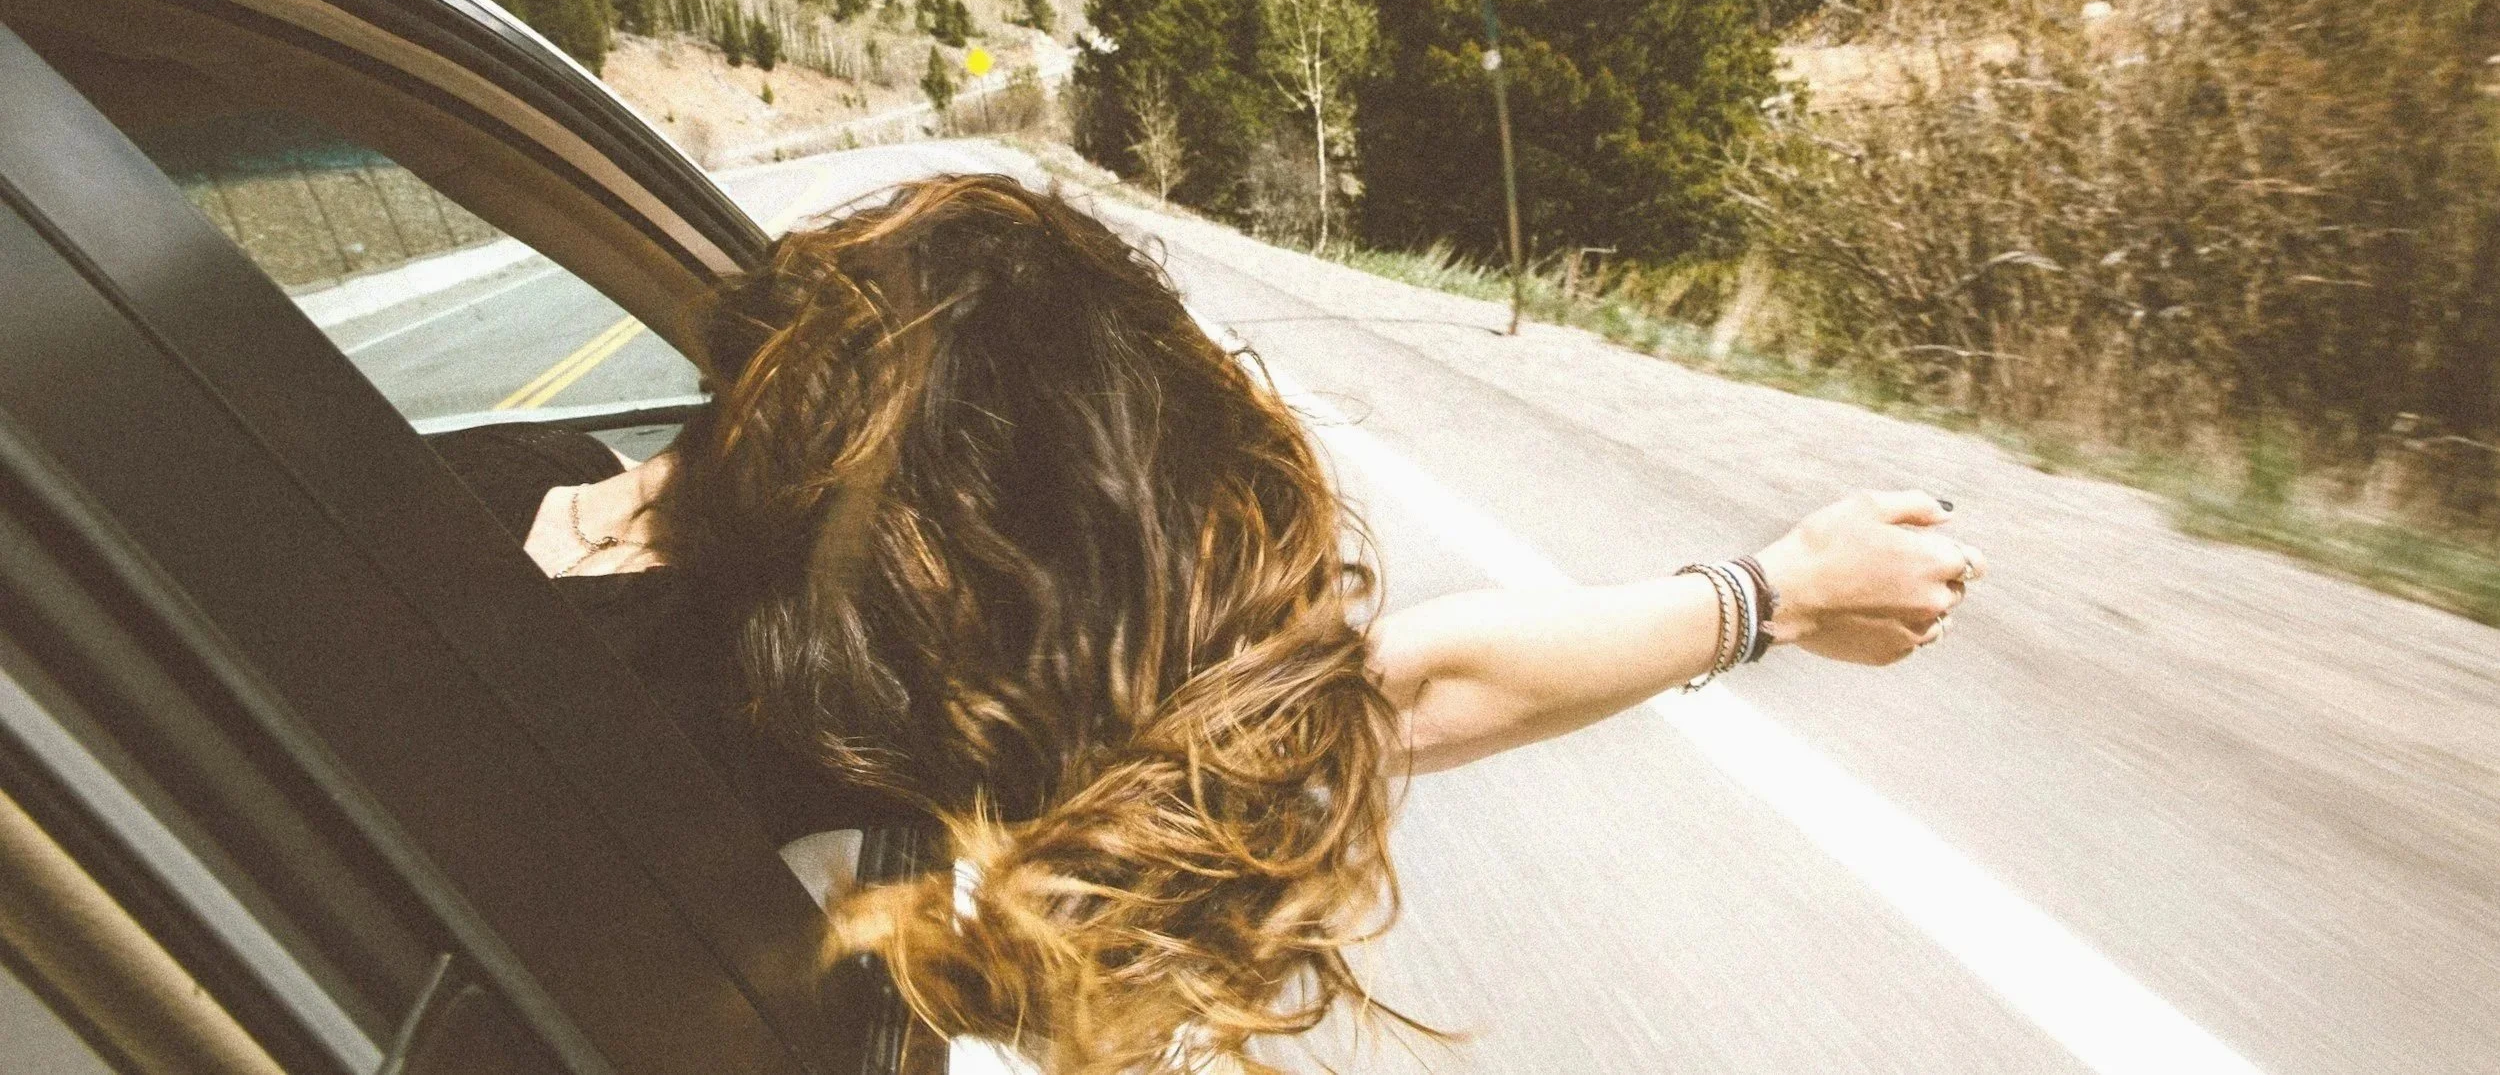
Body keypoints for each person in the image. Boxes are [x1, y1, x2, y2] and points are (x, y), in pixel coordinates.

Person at [440, 174, 1983, 1075]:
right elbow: (1401, 687)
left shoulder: (447, 500)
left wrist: (1771, 594)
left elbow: (1383, 688)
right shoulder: (855, 744)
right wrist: (1768, 596)